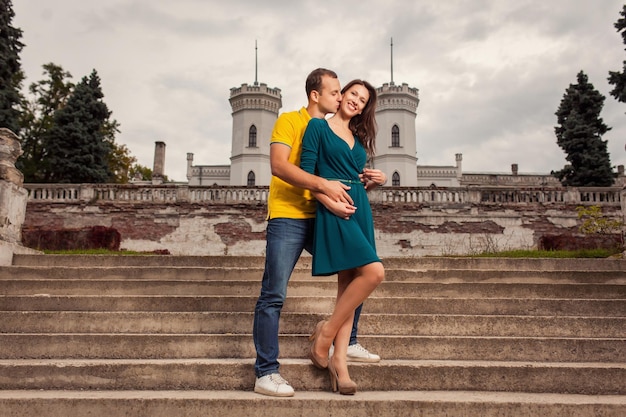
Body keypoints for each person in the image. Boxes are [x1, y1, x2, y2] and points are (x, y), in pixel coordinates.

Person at [252, 68, 379, 397]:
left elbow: (338, 169)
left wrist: (362, 180)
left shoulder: (336, 129)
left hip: (323, 215)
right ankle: (266, 371)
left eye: (345, 93)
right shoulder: (292, 122)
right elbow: (280, 166)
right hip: (290, 216)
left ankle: (344, 342)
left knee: (358, 270)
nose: (341, 97)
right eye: (336, 92)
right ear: (316, 95)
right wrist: (324, 187)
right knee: (274, 293)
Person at [300, 79, 386, 395]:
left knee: (347, 288)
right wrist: (329, 203)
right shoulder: (317, 128)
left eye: (363, 100)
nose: (356, 102)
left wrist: (375, 182)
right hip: (333, 209)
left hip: (358, 209)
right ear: (342, 94)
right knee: (375, 272)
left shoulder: (358, 138)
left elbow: (356, 182)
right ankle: (326, 334)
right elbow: (308, 175)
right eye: (353, 94)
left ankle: (340, 363)